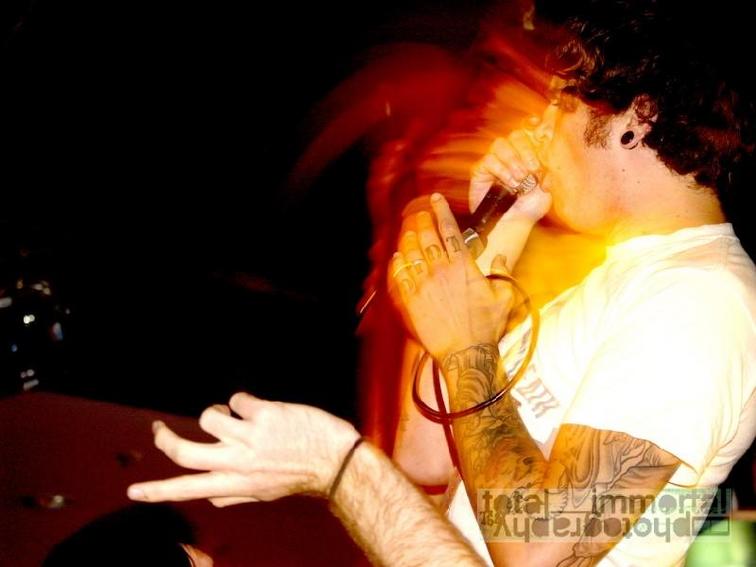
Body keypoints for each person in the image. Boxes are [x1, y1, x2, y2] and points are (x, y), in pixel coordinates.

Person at [128, 1, 756, 565]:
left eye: (561, 104)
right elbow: (424, 457)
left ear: (636, 119)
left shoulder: (701, 299)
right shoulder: (619, 283)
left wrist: (343, 464)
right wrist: (496, 240)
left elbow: (540, 551)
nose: (540, 128)